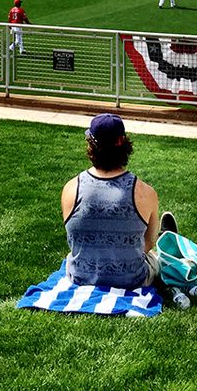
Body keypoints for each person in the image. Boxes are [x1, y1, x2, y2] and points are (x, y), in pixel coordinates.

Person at [62, 114, 161, 288]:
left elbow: (74, 239)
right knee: (156, 254)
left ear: (91, 146)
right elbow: (148, 242)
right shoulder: (145, 193)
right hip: (132, 280)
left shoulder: (71, 189)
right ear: (124, 144)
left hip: (80, 277)